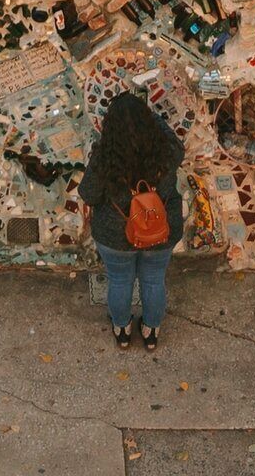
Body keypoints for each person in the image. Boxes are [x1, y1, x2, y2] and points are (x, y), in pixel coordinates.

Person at [78, 92, 183, 350]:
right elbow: (176, 143)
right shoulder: (168, 151)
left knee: (120, 281)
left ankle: (122, 329)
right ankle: (150, 332)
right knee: (154, 280)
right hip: (161, 229)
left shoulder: (105, 157)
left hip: (116, 236)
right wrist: (150, 118)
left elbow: (88, 194)